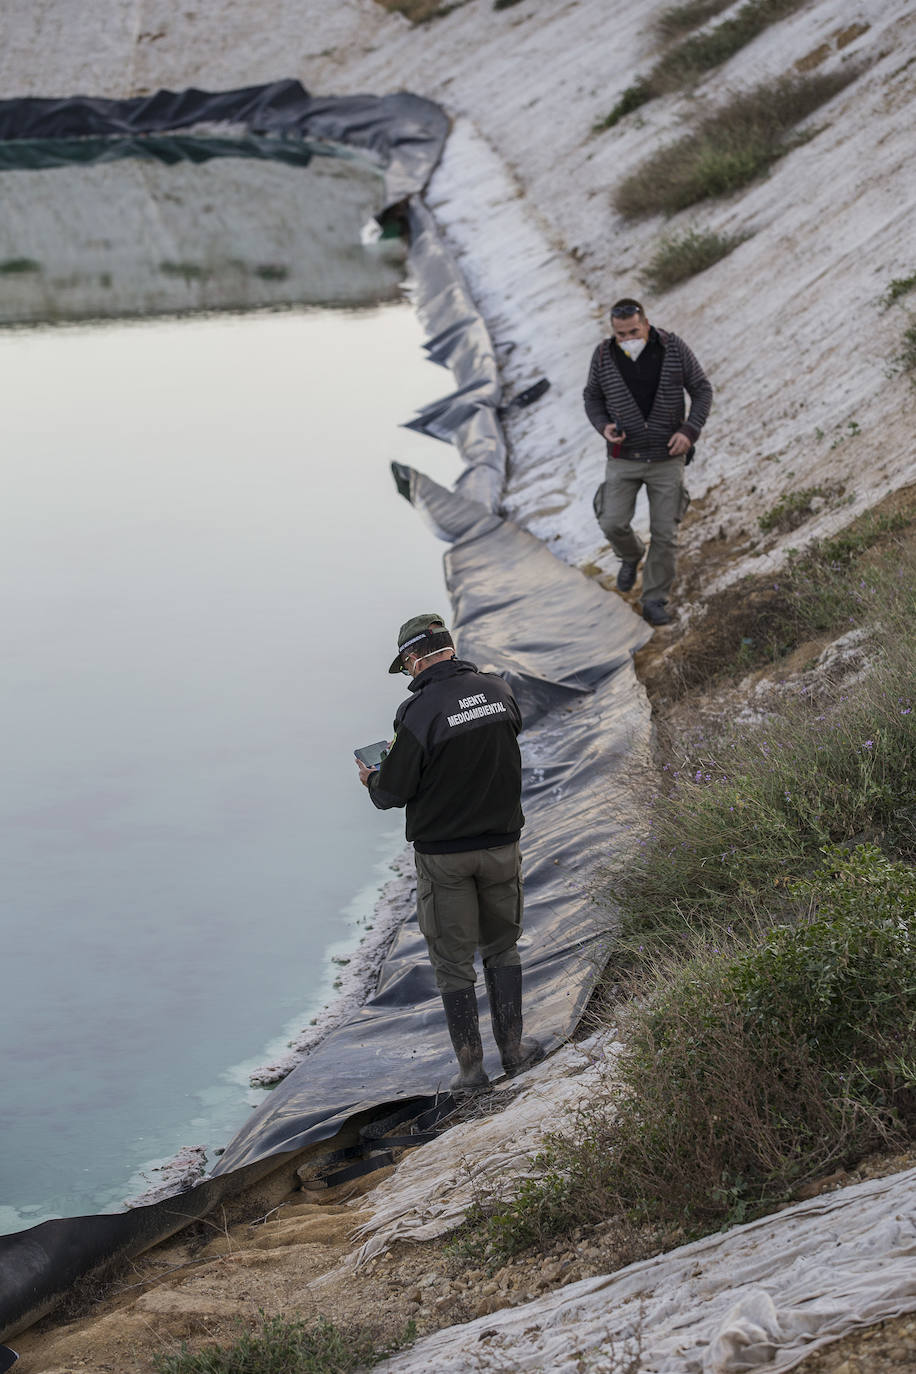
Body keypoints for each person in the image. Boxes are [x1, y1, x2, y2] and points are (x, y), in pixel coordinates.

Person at [355, 612, 542, 1094]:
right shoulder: (499, 690)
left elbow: (392, 792)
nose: (408, 672)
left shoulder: (417, 713)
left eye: (405, 665)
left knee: (453, 961)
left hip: (446, 860)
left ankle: (472, 1071)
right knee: (502, 946)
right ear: (450, 648)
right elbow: (498, 742)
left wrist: (372, 777)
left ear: (415, 658)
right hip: (502, 847)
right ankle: (515, 1051)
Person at [583, 298, 713, 626]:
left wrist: (689, 431)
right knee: (612, 521)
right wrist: (603, 426)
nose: (628, 338)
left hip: (666, 457)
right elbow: (592, 397)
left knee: (665, 533)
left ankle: (654, 599)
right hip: (623, 457)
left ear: (646, 324)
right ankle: (631, 555)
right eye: (621, 334)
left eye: (633, 331)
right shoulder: (603, 355)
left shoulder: (673, 348)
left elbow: (701, 389)